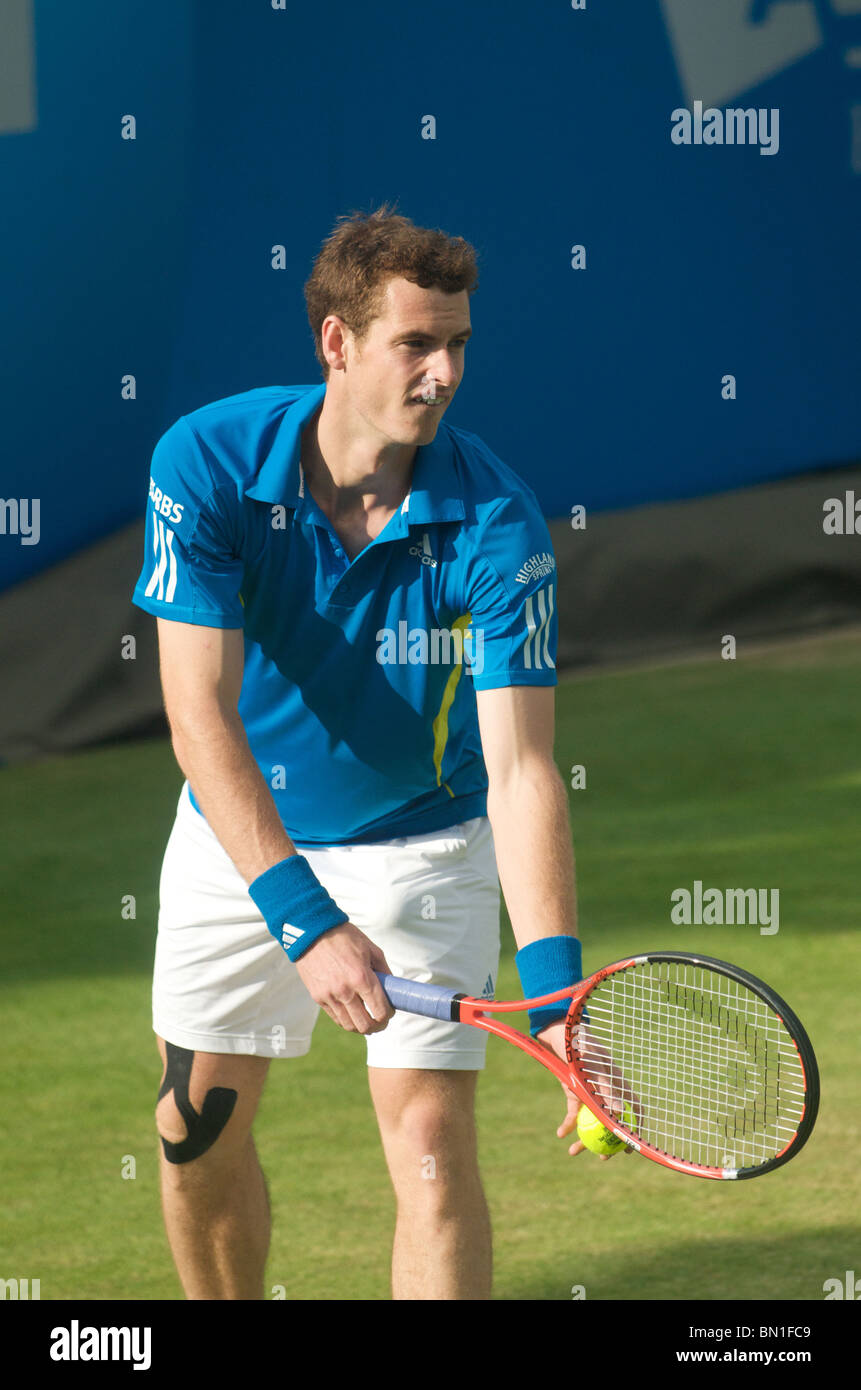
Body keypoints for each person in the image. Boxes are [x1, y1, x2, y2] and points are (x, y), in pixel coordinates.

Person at [132, 204, 583, 1302]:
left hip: (423, 847)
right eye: (415, 344)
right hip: (244, 844)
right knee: (197, 1126)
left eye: (459, 345)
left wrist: (562, 995)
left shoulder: (498, 528)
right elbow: (200, 717)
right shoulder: (206, 460)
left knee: (431, 1146)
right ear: (337, 342)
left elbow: (522, 773)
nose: (443, 374)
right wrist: (301, 917)